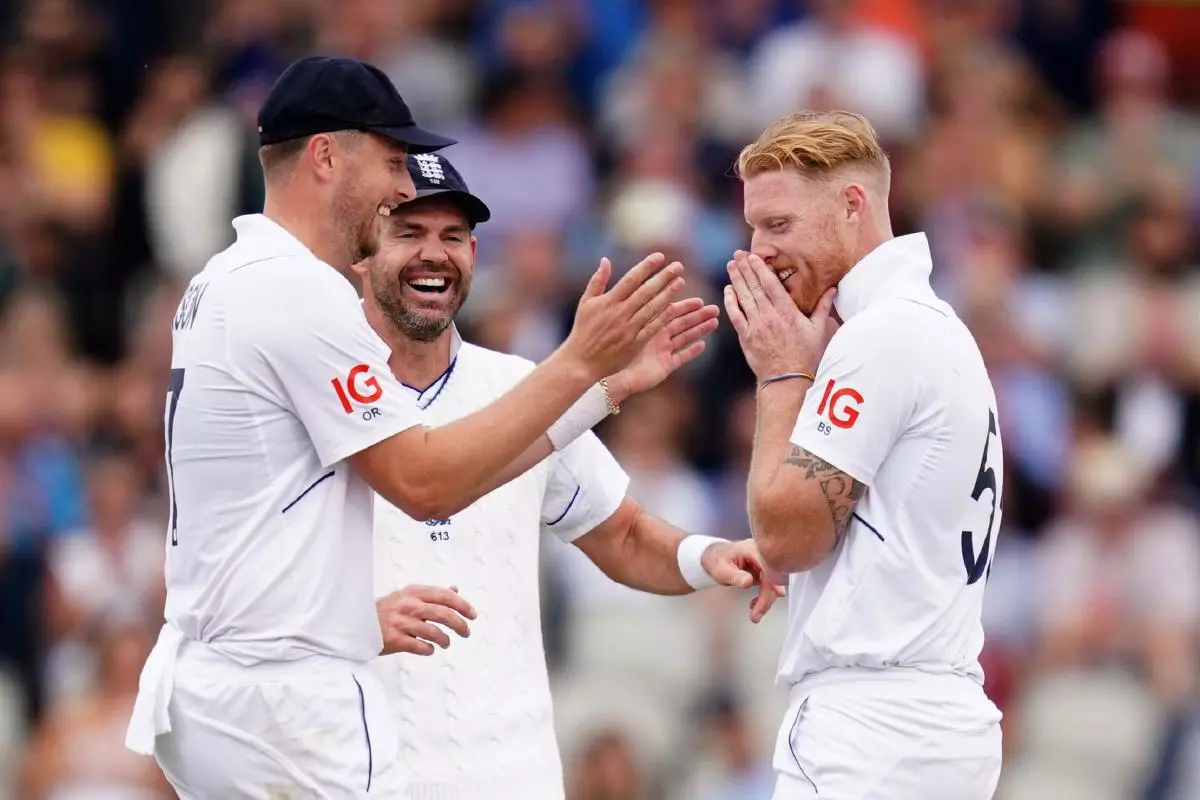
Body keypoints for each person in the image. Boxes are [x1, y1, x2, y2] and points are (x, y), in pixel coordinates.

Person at [123, 56, 690, 798]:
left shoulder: (224, 278)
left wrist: (589, 390)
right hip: (281, 697)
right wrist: (580, 364)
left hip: (224, 677)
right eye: (392, 160)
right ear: (326, 155)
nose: (401, 184)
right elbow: (426, 482)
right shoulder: (298, 292)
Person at [362, 152, 784, 799]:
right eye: (409, 233)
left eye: (452, 237)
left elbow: (623, 536)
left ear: (475, 254)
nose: (434, 255)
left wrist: (712, 555)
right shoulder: (326, 392)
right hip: (362, 770)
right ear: (363, 251)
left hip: (508, 772)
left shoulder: (517, 386)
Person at [722, 110, 1005, 799]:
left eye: (780, 225)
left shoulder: (880, 337)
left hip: (874, 731)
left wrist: (781, 377)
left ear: (853, 205)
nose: (758, 250)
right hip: (930, 719)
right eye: (754, 227)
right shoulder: (927, 325)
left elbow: (788, 535)